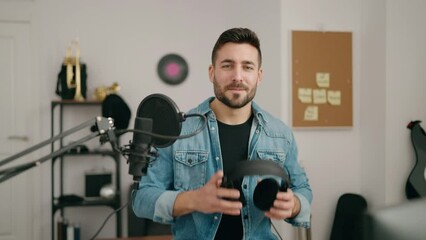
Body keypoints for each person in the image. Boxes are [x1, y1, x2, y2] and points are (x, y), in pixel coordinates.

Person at [132, 27, 312, 240]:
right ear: (212, 72)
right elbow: (141, 200)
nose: (237, 76)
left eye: (247, 67)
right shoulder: (178, 132)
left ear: (259, 75)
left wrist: (295, 205)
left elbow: (303, 189)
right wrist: (194, 200)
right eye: (227, 66)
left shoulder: (280, 134)